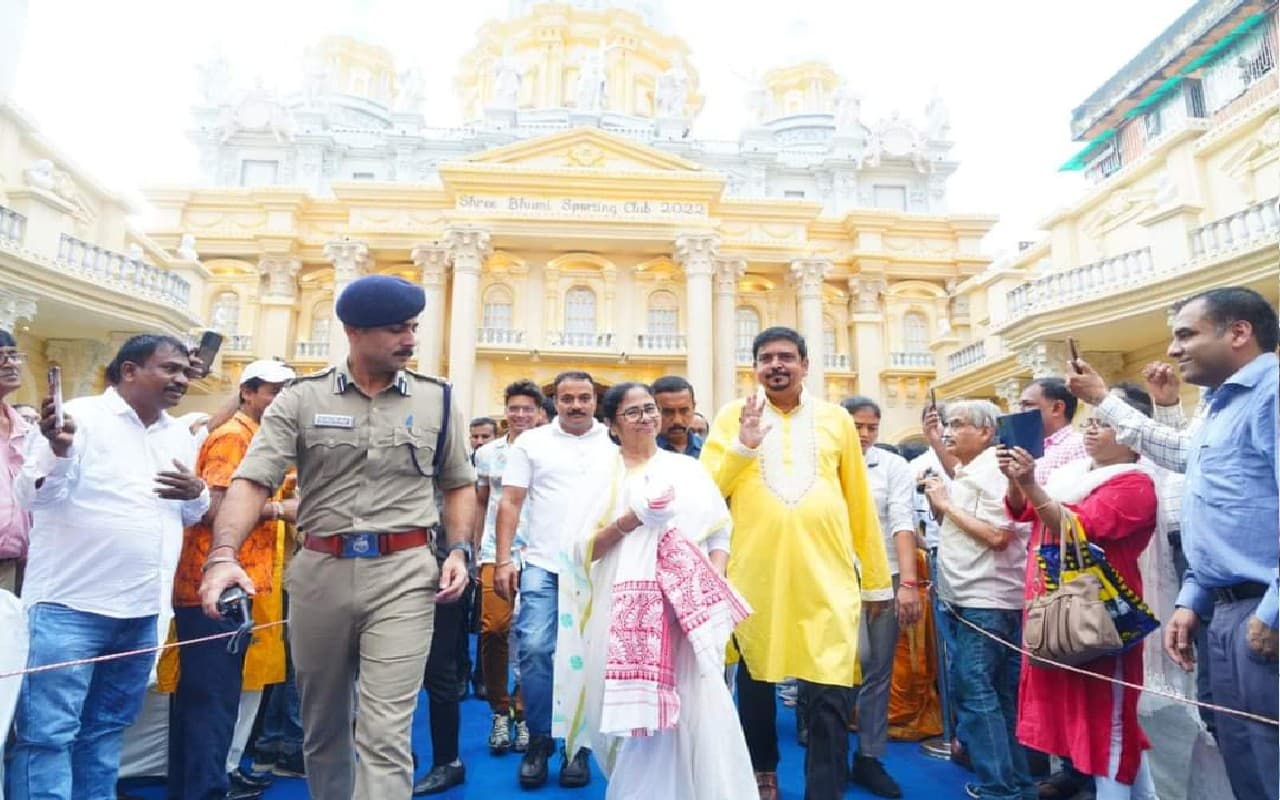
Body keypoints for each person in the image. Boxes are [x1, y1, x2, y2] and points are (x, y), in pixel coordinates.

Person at [198, 274, 477, 800]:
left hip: (405, 575)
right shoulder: (300, 400)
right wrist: (222, 556)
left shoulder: (437, 400)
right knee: (322, 728)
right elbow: (252, 480)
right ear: (353, 331)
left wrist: (459, 550)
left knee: (386, 732)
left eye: (413, 327)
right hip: (319, 575)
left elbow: (459, 484)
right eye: (396, 329)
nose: (410, 340)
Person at [1066, 286, 1279, 800]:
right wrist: (1195, 599)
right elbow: (1185, 460)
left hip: (1264, 610)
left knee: (1271, 760)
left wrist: (1271, 613)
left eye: (1186, 334)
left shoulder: (1272, 395)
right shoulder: (1221, 406)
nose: (1173, 350)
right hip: (1226, 611)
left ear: (1239, 332)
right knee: (1243, 756)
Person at [9, 334, 209, 800]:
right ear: (129, 371)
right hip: (70, 608)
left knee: (104, 732)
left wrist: (196, 494)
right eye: (169, 369)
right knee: (47, 737)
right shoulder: (79, 418)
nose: (181, 379)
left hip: (142, 611)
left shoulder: (178, 434)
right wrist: (57, 452)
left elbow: (189, 513)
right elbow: (32, 497)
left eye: (185, 370)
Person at [700, 326, 890, 800]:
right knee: (756, 679)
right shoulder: (730, 417)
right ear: (756, 368)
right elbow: (704, 491)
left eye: (786, 356)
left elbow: (859, 501)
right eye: (766, 358)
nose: (776, 365)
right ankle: (762, 771)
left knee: (830, 683)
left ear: (805, 364)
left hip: (825, 573)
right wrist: (743, 444)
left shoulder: (835, 420)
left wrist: (876, 582)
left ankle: (823, 788)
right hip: (753, 572)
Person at [553, 382, 756, 799]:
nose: (646, 418)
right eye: (633, 412)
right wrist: (631, 520)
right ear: (611, 425)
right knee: (634, 713)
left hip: (688, 612)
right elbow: (578, 550)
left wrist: (711, 583)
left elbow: (719, 533)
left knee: (697, 704)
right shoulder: (600, 476)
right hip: (625, 614)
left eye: (650, 409)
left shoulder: (687, 470)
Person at [999, 392, 1159, 800]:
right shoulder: (1073, 473)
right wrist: (1017, 482)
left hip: (1101, 614)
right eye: (1089, 420)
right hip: (1059, 610)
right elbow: (1023, 513)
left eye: (1103, 423)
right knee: (1094, 717)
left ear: (1131, 433)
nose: (1090, 429)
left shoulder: (1135, 483)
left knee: (1111, 719)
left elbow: (1075, 527)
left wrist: (1031, 484)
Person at [166, 359, 297, 800]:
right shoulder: (232, 438)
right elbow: (213, 507)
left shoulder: (257, 437)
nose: (280, 401)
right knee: (211, 703)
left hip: (239, 583)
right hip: (215, 587)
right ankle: (203, 790)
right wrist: (281, 509)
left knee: (215, 700)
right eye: (273, 391)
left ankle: (197, 787)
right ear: (248, 392)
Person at [493, 370, 616, 790]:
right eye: (567, 399)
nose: (577, 405)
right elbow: (510, 503)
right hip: (543, 564)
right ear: (555, 402)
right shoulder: (532, 442)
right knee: (534, 649)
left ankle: (577, 745)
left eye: (584, 398)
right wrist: (504, 559)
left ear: (595, 401)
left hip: (597, 566)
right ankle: (540, 739)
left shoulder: (615, 443)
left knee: (586, 654)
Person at [921, 400, 1032, 800]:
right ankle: (1016, 785)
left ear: (986, 432)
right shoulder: (973, 470)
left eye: (958, 425)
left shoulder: (995, 471)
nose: (948, 431)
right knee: (996, 695)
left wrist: (946, 504)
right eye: (946, 424)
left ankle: (999, 787)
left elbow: (999, 535)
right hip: (975, 598)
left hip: (986, 600)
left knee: (979, 693)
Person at [840, 396, 921, 798]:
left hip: (884, 576)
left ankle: (869, 757)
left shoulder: (894, 466)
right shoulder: (827, 463)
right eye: (857, 426)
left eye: (872, 427)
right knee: (845, 664)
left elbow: (903, 520)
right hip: (834, 578)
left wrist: (908, 583)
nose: (866, 435)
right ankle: (830, 751)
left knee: (878, 670)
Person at [473, 380, 541, 755]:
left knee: (532, 639)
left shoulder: (548, 450)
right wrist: (469, 549)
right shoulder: (487, 454)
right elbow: (481, 502)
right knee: (495, 629)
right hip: (493, 552)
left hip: (538, 553)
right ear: (506, 410)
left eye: (527, 409)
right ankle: (499, 709)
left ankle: (525, 711)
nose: (520, 415)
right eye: (514, 408)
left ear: (539, 413)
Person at [0, 332, 31, 595]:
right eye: (0, 357)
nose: (10, 364)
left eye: (13, 355)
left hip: (11, 562)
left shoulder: (24, 428)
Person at [1018, 377, 1086, 484]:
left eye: (1028, 405)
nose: (1020, 412)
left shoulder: (1078, 445)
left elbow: (1077, 496)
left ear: (1057, 408)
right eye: (1020, 406)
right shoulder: (1029, 449)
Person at [652, 375, 703, 457]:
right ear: (653, 410)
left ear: (693, 407)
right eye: (668, 412)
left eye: (684, 411)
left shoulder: (708, 450)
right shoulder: (641, 453)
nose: (677, 420)